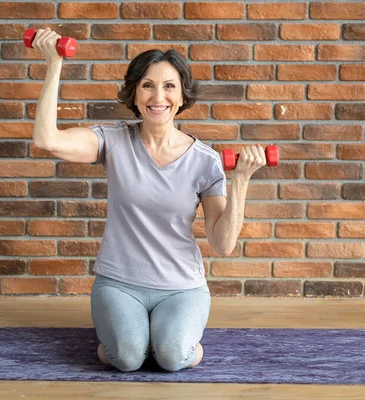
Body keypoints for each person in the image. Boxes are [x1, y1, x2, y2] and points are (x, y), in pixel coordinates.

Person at [30, 28, 267, 372]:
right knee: (126, 358)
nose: (159, 96)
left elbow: (223, 243)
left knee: (172, 357)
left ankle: (168, 340)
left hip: (182, 288)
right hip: (119, 284)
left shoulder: (205, 160)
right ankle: (129, 341)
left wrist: (241, 180)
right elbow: (47, 140)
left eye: (169, 86)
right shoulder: (112, 142)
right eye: (148, 85)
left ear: (183, 96)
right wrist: (55, 64)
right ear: (135, 95)